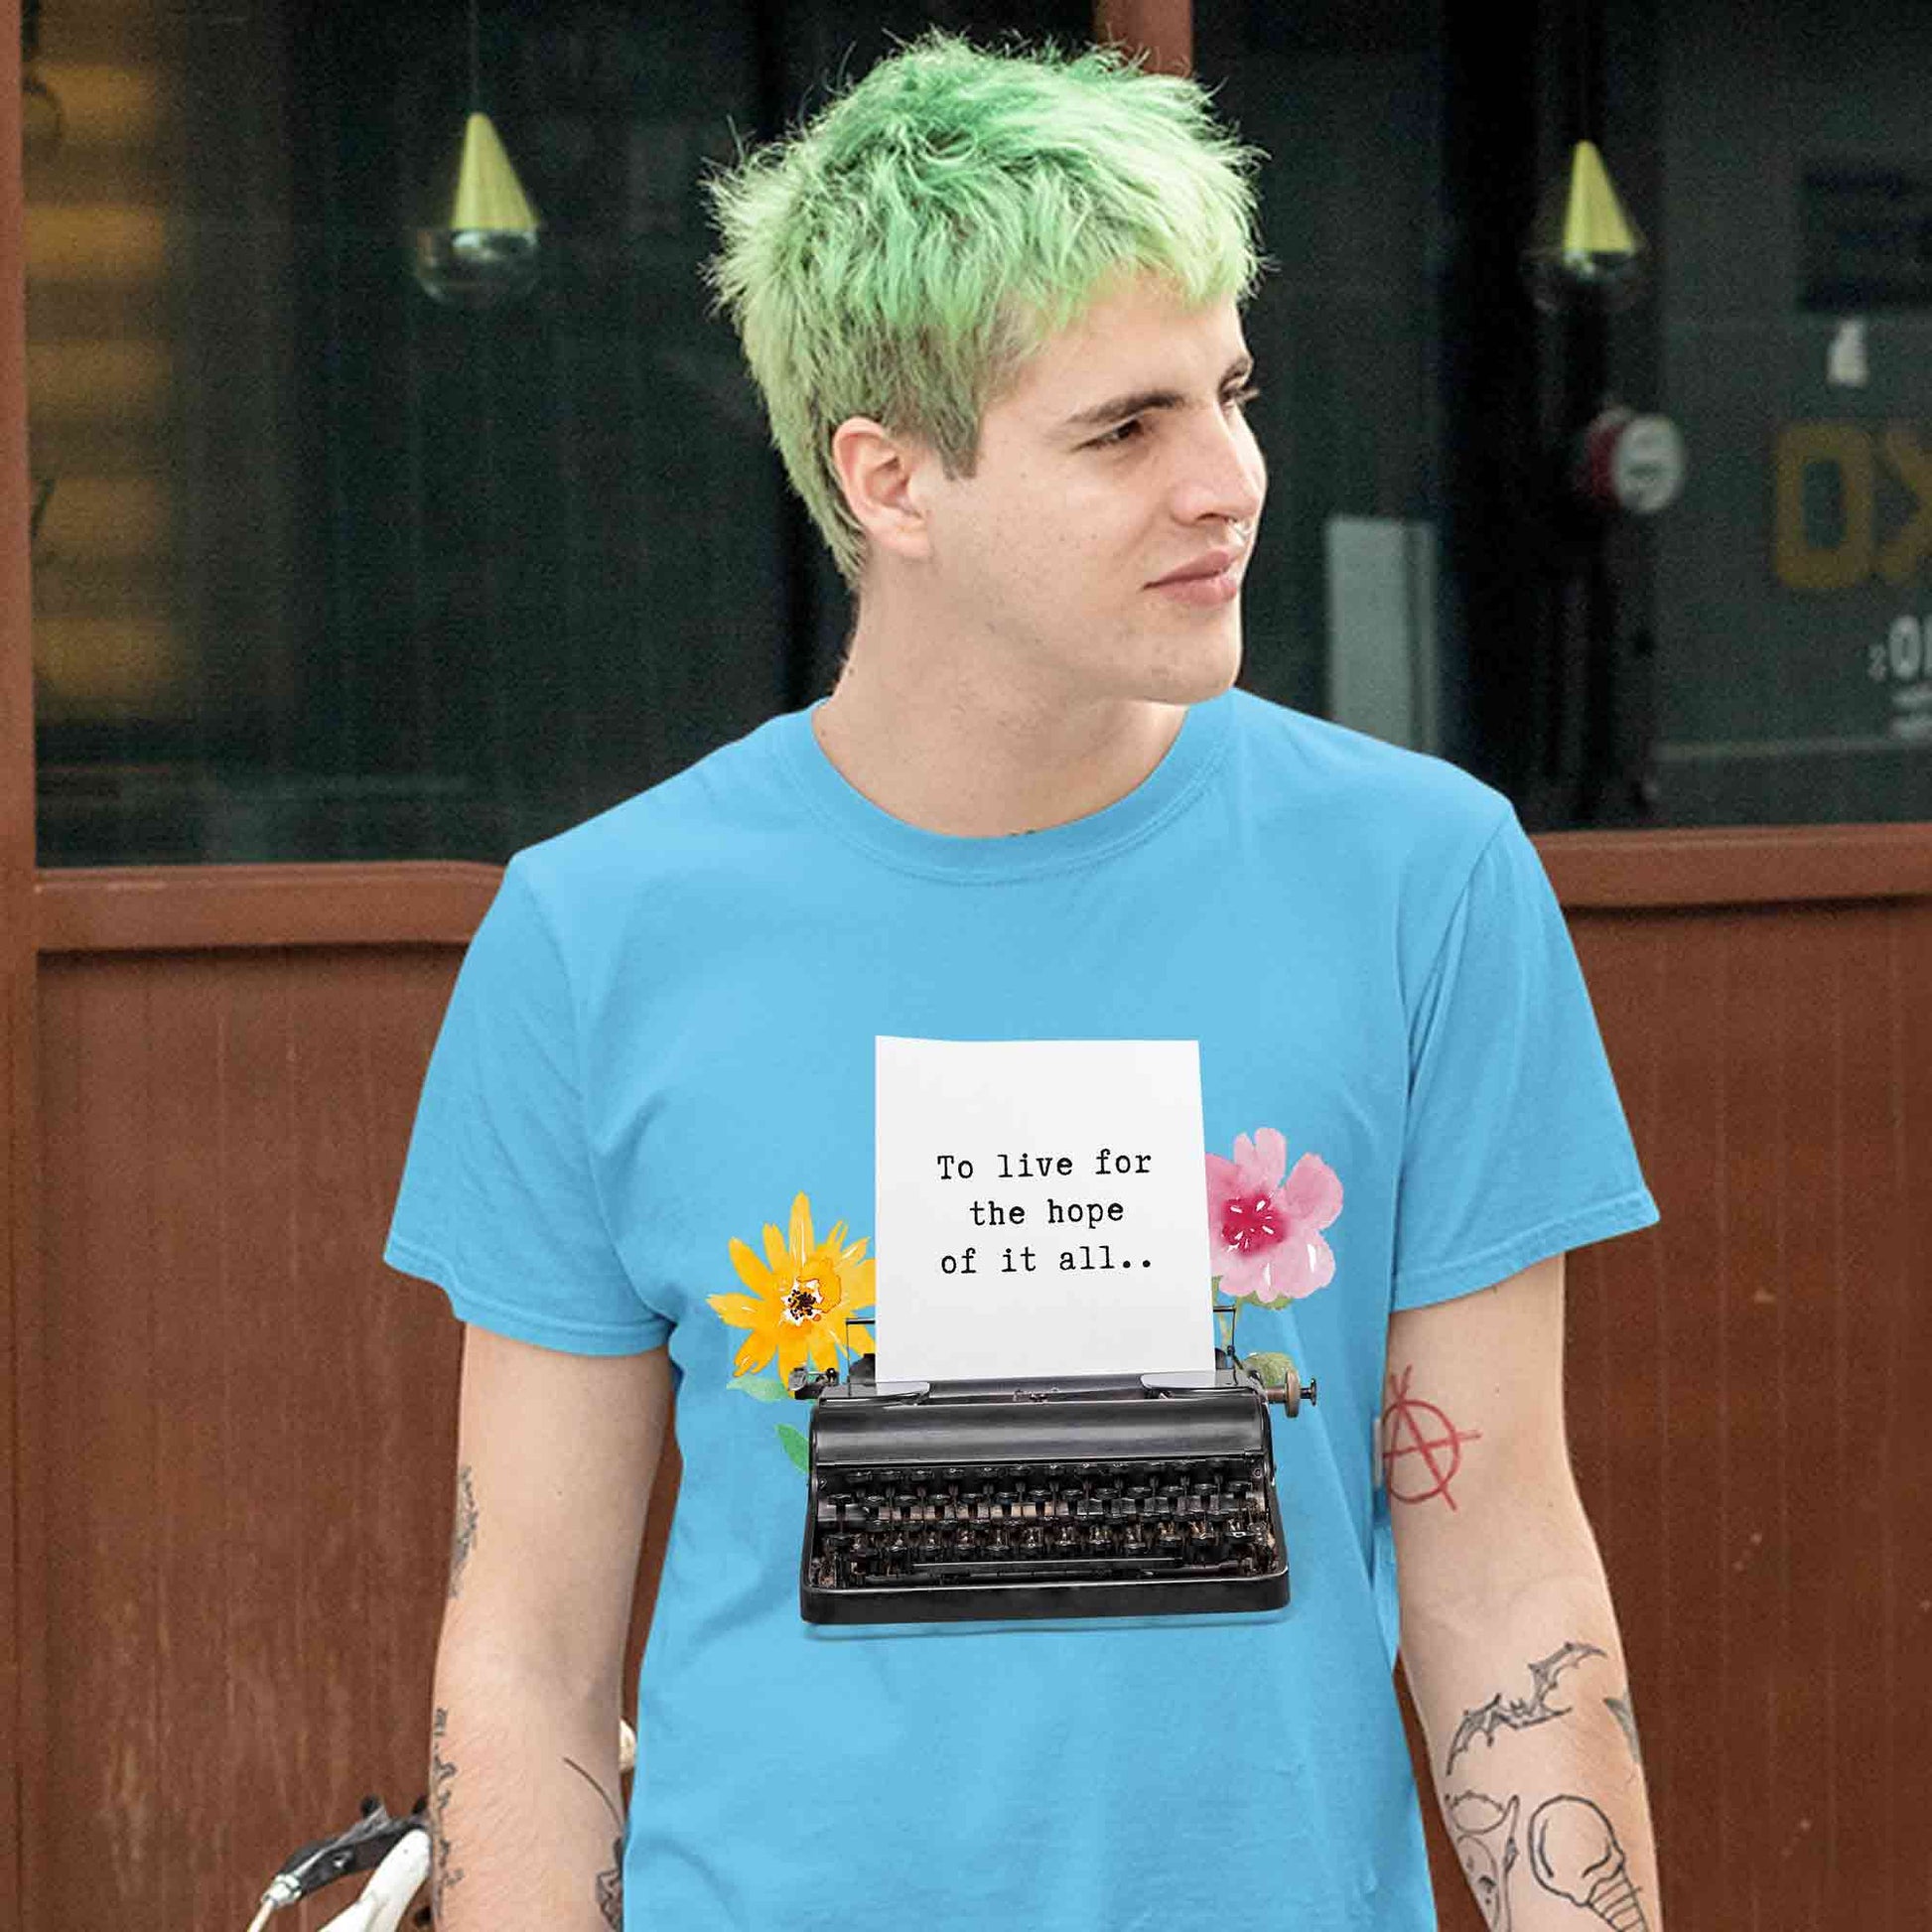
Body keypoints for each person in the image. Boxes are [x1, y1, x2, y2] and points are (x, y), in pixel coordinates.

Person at [385, 27, 1664, 1931]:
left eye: (1228, 390)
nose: (1226, 479)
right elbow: (528, 1652)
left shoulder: (1423, 880)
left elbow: (1504, 1581)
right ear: (891, 479)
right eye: (1122, 428)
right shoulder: (597, 935)